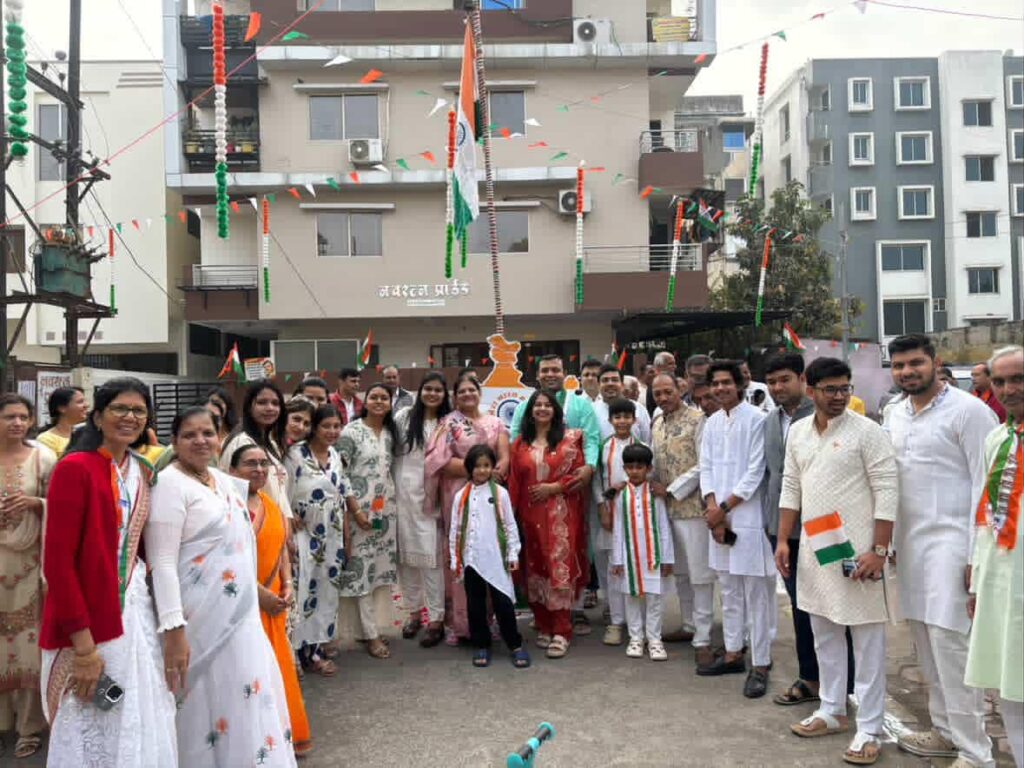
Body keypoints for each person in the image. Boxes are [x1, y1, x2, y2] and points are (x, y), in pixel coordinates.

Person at [146, 407, 295, 767]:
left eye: (207, 433)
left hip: (241, 616)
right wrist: (173, 628)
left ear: (219, 439)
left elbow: (240, 547)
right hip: (196, 617)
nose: (200, 441)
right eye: (189, 435)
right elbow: (162, 562)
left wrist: (259, 593)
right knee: (203, 698)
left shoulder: (223, 481)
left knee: (245, 688)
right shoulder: (168, 485)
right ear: (174, 441)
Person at [40, 378, 177, 766]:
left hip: (136, 613)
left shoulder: (142, 470)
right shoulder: (74, 469)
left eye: (138, 411)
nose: (130, 417)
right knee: (92, 719)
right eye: (120, 408)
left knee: (139, 710)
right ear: (98, 417)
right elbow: (58, 564)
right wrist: (84, 649)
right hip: (88, 622)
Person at [776, 358, 899, 766]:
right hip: (817, 547)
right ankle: (831, 710)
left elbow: (887, 490)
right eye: (830, 389)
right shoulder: (798, 431)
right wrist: (783, 540)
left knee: (867, 640)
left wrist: (878, 550)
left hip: (859, 551)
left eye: (845, 388)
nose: (839, 396)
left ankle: (870, 728)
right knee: (824, 631)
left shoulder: (868, 432)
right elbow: (790, 486)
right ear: (810, 389)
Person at [884, 333, 997, 768]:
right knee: (925, 644)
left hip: (953, 545)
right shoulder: (894, 413)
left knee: (952, 647)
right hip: (910, 547)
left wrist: (975, 555)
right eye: (899, 365)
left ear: (936, 362)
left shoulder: (969, 411)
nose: (907, 372)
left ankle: (976, 753)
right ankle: (945, 732)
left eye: (916, 363)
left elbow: (985, 485)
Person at [763, 353, 852, 707]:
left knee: (834, 606)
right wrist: (778, 533)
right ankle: (811, 678)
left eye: (784, 379)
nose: (777, 387)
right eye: (771, 381)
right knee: (802, 608)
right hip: (783, 528)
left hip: (825, 527)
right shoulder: (770, 421)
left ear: (803, 381)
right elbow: (776, 477)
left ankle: (845, 684)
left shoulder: (825, 417)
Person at [698, 360, 776, 699]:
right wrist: (712, 507)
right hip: (718, 515)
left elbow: (756, 472)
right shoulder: (713, 422)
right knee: (728, 588)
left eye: (726, 382)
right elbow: (706, 467)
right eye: (715, 383)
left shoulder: (758, 420)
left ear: (740, 384)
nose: (720, 389)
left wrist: (724, 509)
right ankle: (732, 652)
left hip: (749, 516)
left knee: (756, 594)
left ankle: (761, 663)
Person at [509, 354, 600, 635]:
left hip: (567, 500)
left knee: (567, 556)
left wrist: (589, 467)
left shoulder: (579, 406)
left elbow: (592, 439)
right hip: (531, 508)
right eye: (545, 370)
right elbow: (515, 455)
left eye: (555, 370)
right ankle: (544, 618)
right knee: (535, 561)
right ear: (537, 375)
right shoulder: (523, 413)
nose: (550, 374)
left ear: (564, 373)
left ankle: (571, 617)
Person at [233, 443, 312, 758]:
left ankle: (285, 733)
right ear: (232, 470)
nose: (258, 470)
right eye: (249, 464)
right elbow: (226, 561)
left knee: (279, 670)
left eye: (263, 463)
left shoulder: (269, 503)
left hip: (275, 600)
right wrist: (259, 594)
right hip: (243, 603)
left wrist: (288, 584)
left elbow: (281, 550)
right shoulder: (228, 508)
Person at [966, 346, 1024, 768]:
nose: (1008, 389)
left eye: (1018, 378)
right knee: (1010, 687)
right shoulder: (997, 438)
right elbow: (986, 515)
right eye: (1000, 381)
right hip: (1002, 582)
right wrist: (976, 583)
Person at [425, 372, 509, 644]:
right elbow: (438, 461)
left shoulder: (495, 423)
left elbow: (504, 457)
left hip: (490, 496)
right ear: (455, 397)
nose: (467, 395)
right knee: (463, 551)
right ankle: (462, 624)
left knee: (490, 550)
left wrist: (492, 473)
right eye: (461, 391)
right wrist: (479, 470)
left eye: (471, 390)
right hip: (458, 495)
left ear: (479, 393)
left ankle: (490, 620)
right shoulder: (447, 424)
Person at [508, 390, 588, 659]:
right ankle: (543, 624)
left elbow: (578, 475)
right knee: (535, 568)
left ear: (555, 411)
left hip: (561, 516)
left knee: (559, 569)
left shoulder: (570, 439)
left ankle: (562, 631)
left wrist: (553, 488)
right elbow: (515, 483)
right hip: (530, 517)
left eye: (547, 405)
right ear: (530, 412)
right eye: (537, 405)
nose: (542, 409)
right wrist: (509, 516)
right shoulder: (520, 444)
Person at [0, 395, 56, 758]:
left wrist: (37, 504)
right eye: (9, 417)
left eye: (23, 416)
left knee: (28, 646)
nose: (18, 423)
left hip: (31, 567)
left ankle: (29, 726)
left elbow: (62, 506)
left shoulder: (43, 459)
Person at [649, 374, 715, 663]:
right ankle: (689, 625)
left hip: (693, 509)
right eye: (658, 394)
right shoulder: (657, 423)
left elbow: (704, 464)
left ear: (680, 389)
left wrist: (672, 489)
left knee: (700, 574)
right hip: (665, 510)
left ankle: (703, 637)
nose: (663, 398)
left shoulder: (699, 420)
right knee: (681, 572)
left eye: (668, 392)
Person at [449, 444, 529, 669]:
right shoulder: (461, 496)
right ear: (469, 468)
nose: (482, 470)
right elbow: (455, 529)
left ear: (493, 467)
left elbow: (509, 525)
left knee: (503, 603)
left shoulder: (500, 494)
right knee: (475, 605)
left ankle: (515, 644)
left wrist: (512, 552)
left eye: (486, 465)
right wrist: (455, 559)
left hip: (496, 558)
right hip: (471, 558)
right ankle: (481, 644)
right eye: (477, 466)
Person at [337, 383, 399, 660]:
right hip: (358, 514)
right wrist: (355, 511)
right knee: (360, 572)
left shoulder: (389, 434)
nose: (379, 401)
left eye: (384, 397)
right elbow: (339, 473)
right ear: (366, 400)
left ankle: (367, 628)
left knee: (377, 571)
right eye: (374, 396)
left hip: (384, 515)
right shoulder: (351, 432)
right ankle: (370, 634)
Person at [285, 404, 347, 675]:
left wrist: (346, 535)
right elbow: (283, 491)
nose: (332, 431)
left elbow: (341, 491)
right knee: (302, 591)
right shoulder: (295, 455)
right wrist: (288, 517)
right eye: (326, 426)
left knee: (325, 593)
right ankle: (295, 654)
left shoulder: (335, 455)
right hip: (303, 533)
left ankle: (316, 650)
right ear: (314, 428)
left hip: (331, 535)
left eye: (337, 426)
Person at [394, 373, 451, 648]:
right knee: (406, 561)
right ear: (420, 391)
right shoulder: (404, 417)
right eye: (428, 388)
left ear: (444, 394)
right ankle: (414, 613)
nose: (432, 394)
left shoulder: (448, 422)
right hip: (402, 496)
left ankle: (436, 619)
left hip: (433, 498)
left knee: (432, 561)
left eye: (438, 390)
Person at [609, 444, 674, 662]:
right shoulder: (620, 495)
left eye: (639, 467)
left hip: (653, 555)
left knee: (654, 597)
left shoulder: (655, 493)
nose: (634, 471)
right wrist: (617, 559)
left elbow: (663, 526)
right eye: (630, 467)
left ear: (649, 468)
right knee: (632, 596)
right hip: (629, 556)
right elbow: (618, 529)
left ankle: (655, 639)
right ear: (624, 469)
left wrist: (667, 558)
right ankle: (636, 637)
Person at [592, 398, 639, 646]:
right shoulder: (603, 447)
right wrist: (602, 507)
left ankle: (636, 622)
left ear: (634, 419)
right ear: (610, 420)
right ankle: (616, 621)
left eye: (626, 417)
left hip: (636, 514)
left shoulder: (641, 446)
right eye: (617, 417)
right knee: (614, 567)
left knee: (635, 565)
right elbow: (597, 480)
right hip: (611, 512)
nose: (622, 421)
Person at [220, 380, 294, 522]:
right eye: (262, 402)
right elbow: (235, 492)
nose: (270, 408)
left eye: (275, 403)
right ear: (249, 407)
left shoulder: (272, 444)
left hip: (277, 525)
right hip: (254, 526)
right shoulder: (241, 443)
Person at [594, 363, 651, 443]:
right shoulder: (591, 410)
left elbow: (647, 440)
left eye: (615, 380)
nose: (610, 384)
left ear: (622, 385)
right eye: (605, 380)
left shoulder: (639, 409)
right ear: (598, 385)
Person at [35, 386, 87, 457]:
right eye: (80, 402)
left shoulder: (88, 434)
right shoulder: (46, 440)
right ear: (62, 408)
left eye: (85, 401)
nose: (86, 405)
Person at [644, 352, 676, 417]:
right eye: (670, 364)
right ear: (659, 366)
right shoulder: (653, 385)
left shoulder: (675, 382)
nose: (674, 367)